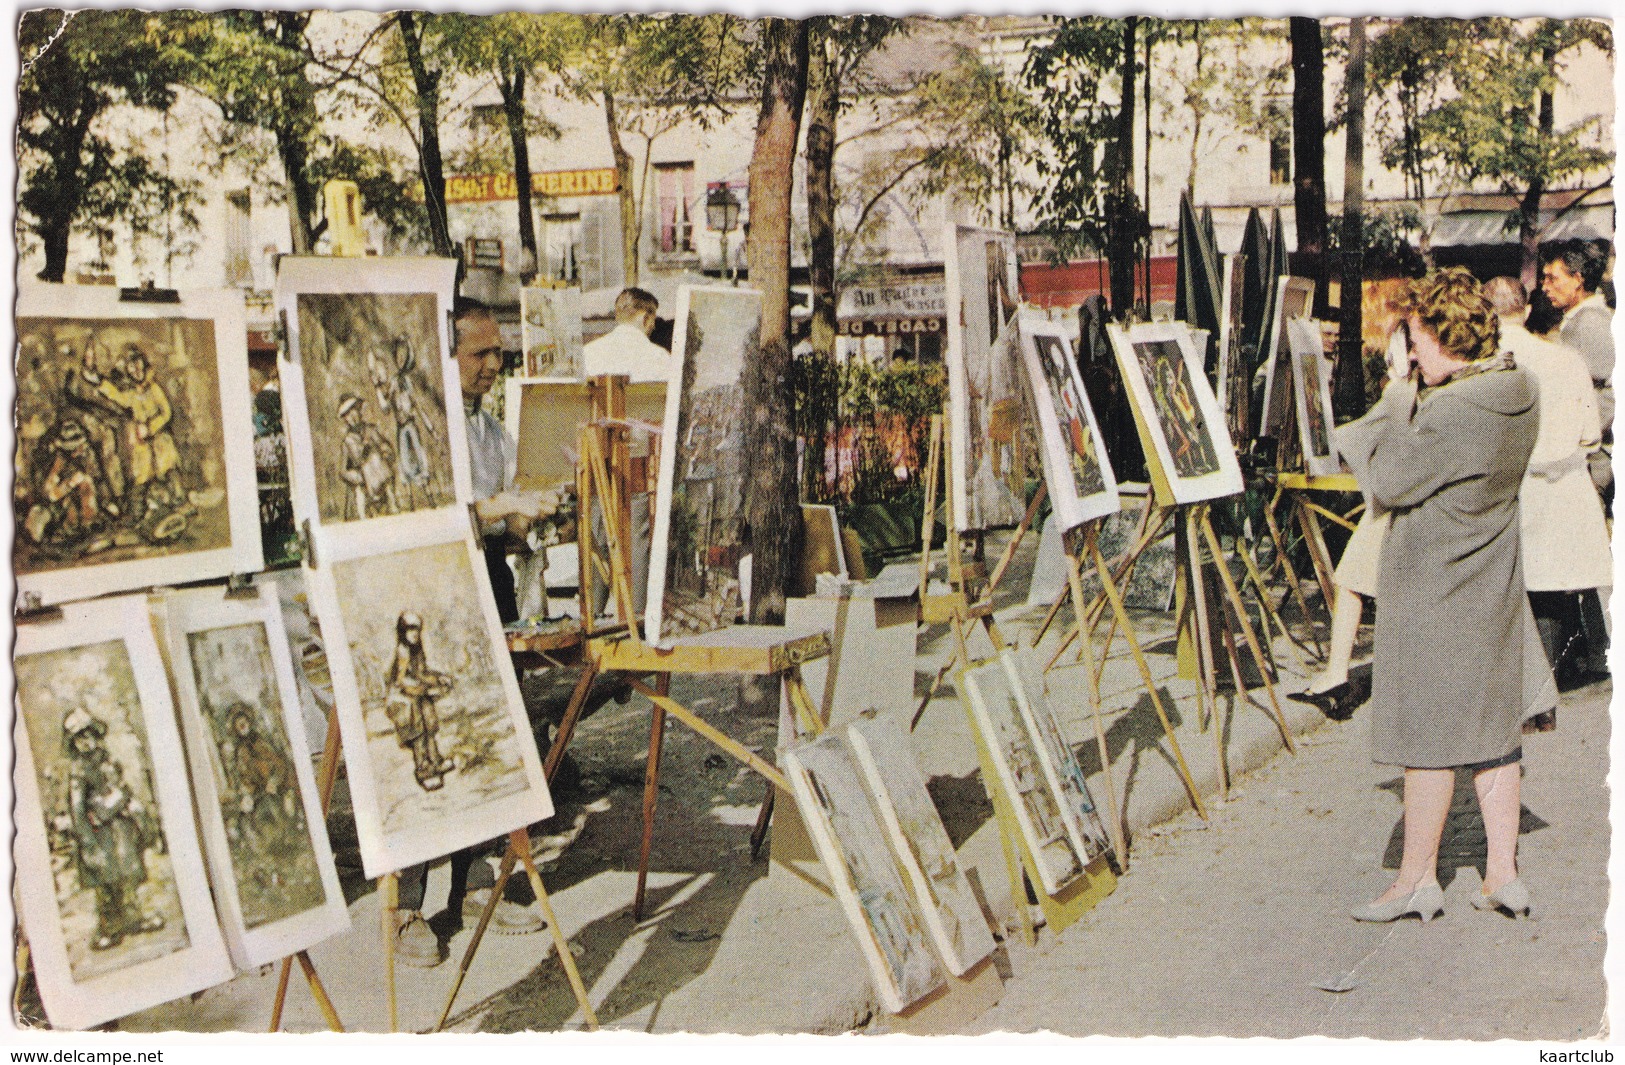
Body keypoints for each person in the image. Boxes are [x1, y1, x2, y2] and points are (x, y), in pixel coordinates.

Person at [1334, 268, 1540, 922]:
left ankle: (1414, 881)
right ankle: (1502, 873)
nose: (1411, 351)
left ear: (1447, 338)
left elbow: (1386, 477)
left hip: (1435, 592)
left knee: (1428, 741)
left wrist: (1398, 393)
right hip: (1494, 583)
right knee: (1493, 731)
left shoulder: (1448, 411)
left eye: (1417, 339)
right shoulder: (1518, 390)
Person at [394, 299, 557, 966]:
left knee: (488, 735)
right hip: (422, 596)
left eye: (498, 353)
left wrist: (540, 513)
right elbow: (426, 515)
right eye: (478, 354)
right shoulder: (419, 427)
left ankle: (470, 884)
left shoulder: (490, 431)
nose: (493, 365)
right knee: (422, 742)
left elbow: (503, 528)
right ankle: (403, 903)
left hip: (486, 585)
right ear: (444, 355)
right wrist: (500, 506)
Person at [1482, 277, 1613, 695]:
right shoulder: (1567, 359)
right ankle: (1549, 680)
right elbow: (1591, 434)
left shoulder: (1486, 363)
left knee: (1513, 583)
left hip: (1509, 485)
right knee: (1555, 584)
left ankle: (1517, 682)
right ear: (1523, 310)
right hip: (1562, 485)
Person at [1538, 239, 1613, 682]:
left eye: (1554, 277)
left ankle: (1584, 655)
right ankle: (1586, 651)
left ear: (1578, 279)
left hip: (1592, 458)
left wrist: (1579, 441)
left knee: (1568, 553)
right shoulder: (1577, 321)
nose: (1546, 285)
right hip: (1585, 453)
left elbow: (1607, 394)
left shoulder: (1590, 324)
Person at [582, 287, 671, 616]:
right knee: (634, 543)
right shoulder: (659, 359)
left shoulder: (589, 354)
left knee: (597, 539)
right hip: (638, 461)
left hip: (594, 461)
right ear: (646, 318)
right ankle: (634, 619)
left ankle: (590, 615)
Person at [63, 707, 167, 951]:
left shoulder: (107, 760)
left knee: (127, 876)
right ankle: (109, 928)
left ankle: (133, 918)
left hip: (119, 830)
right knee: (106, 883)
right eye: (80, 739)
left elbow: (120, 787)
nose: (86, 743)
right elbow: (77, 809)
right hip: (98, 836)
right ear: (74, 744)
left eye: (89, 736)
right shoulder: (78, 772)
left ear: (96, 736)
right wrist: (87, 840)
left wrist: (125, 804)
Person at [583, 287, 671, 383]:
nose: (653, 327)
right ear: (645, 319)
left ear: (617, 317)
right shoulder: (660, 357)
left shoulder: (587, 352)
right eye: (653, 320)